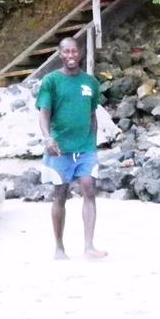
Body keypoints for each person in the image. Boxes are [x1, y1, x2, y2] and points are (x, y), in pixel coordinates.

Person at [37, 37, 106, 260]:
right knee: (60, 195)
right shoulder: (51, 81)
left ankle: (89, 246)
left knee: (89, 189)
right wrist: (48, 138)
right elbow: (44, 113)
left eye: (74, 52)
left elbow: (92, 114)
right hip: (60, 148)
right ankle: (59, 247)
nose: (70, 56)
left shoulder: (90, 83)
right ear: (60, 54)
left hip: (85, 148)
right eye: (66, 52)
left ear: (80, 53)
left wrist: (92, 143)